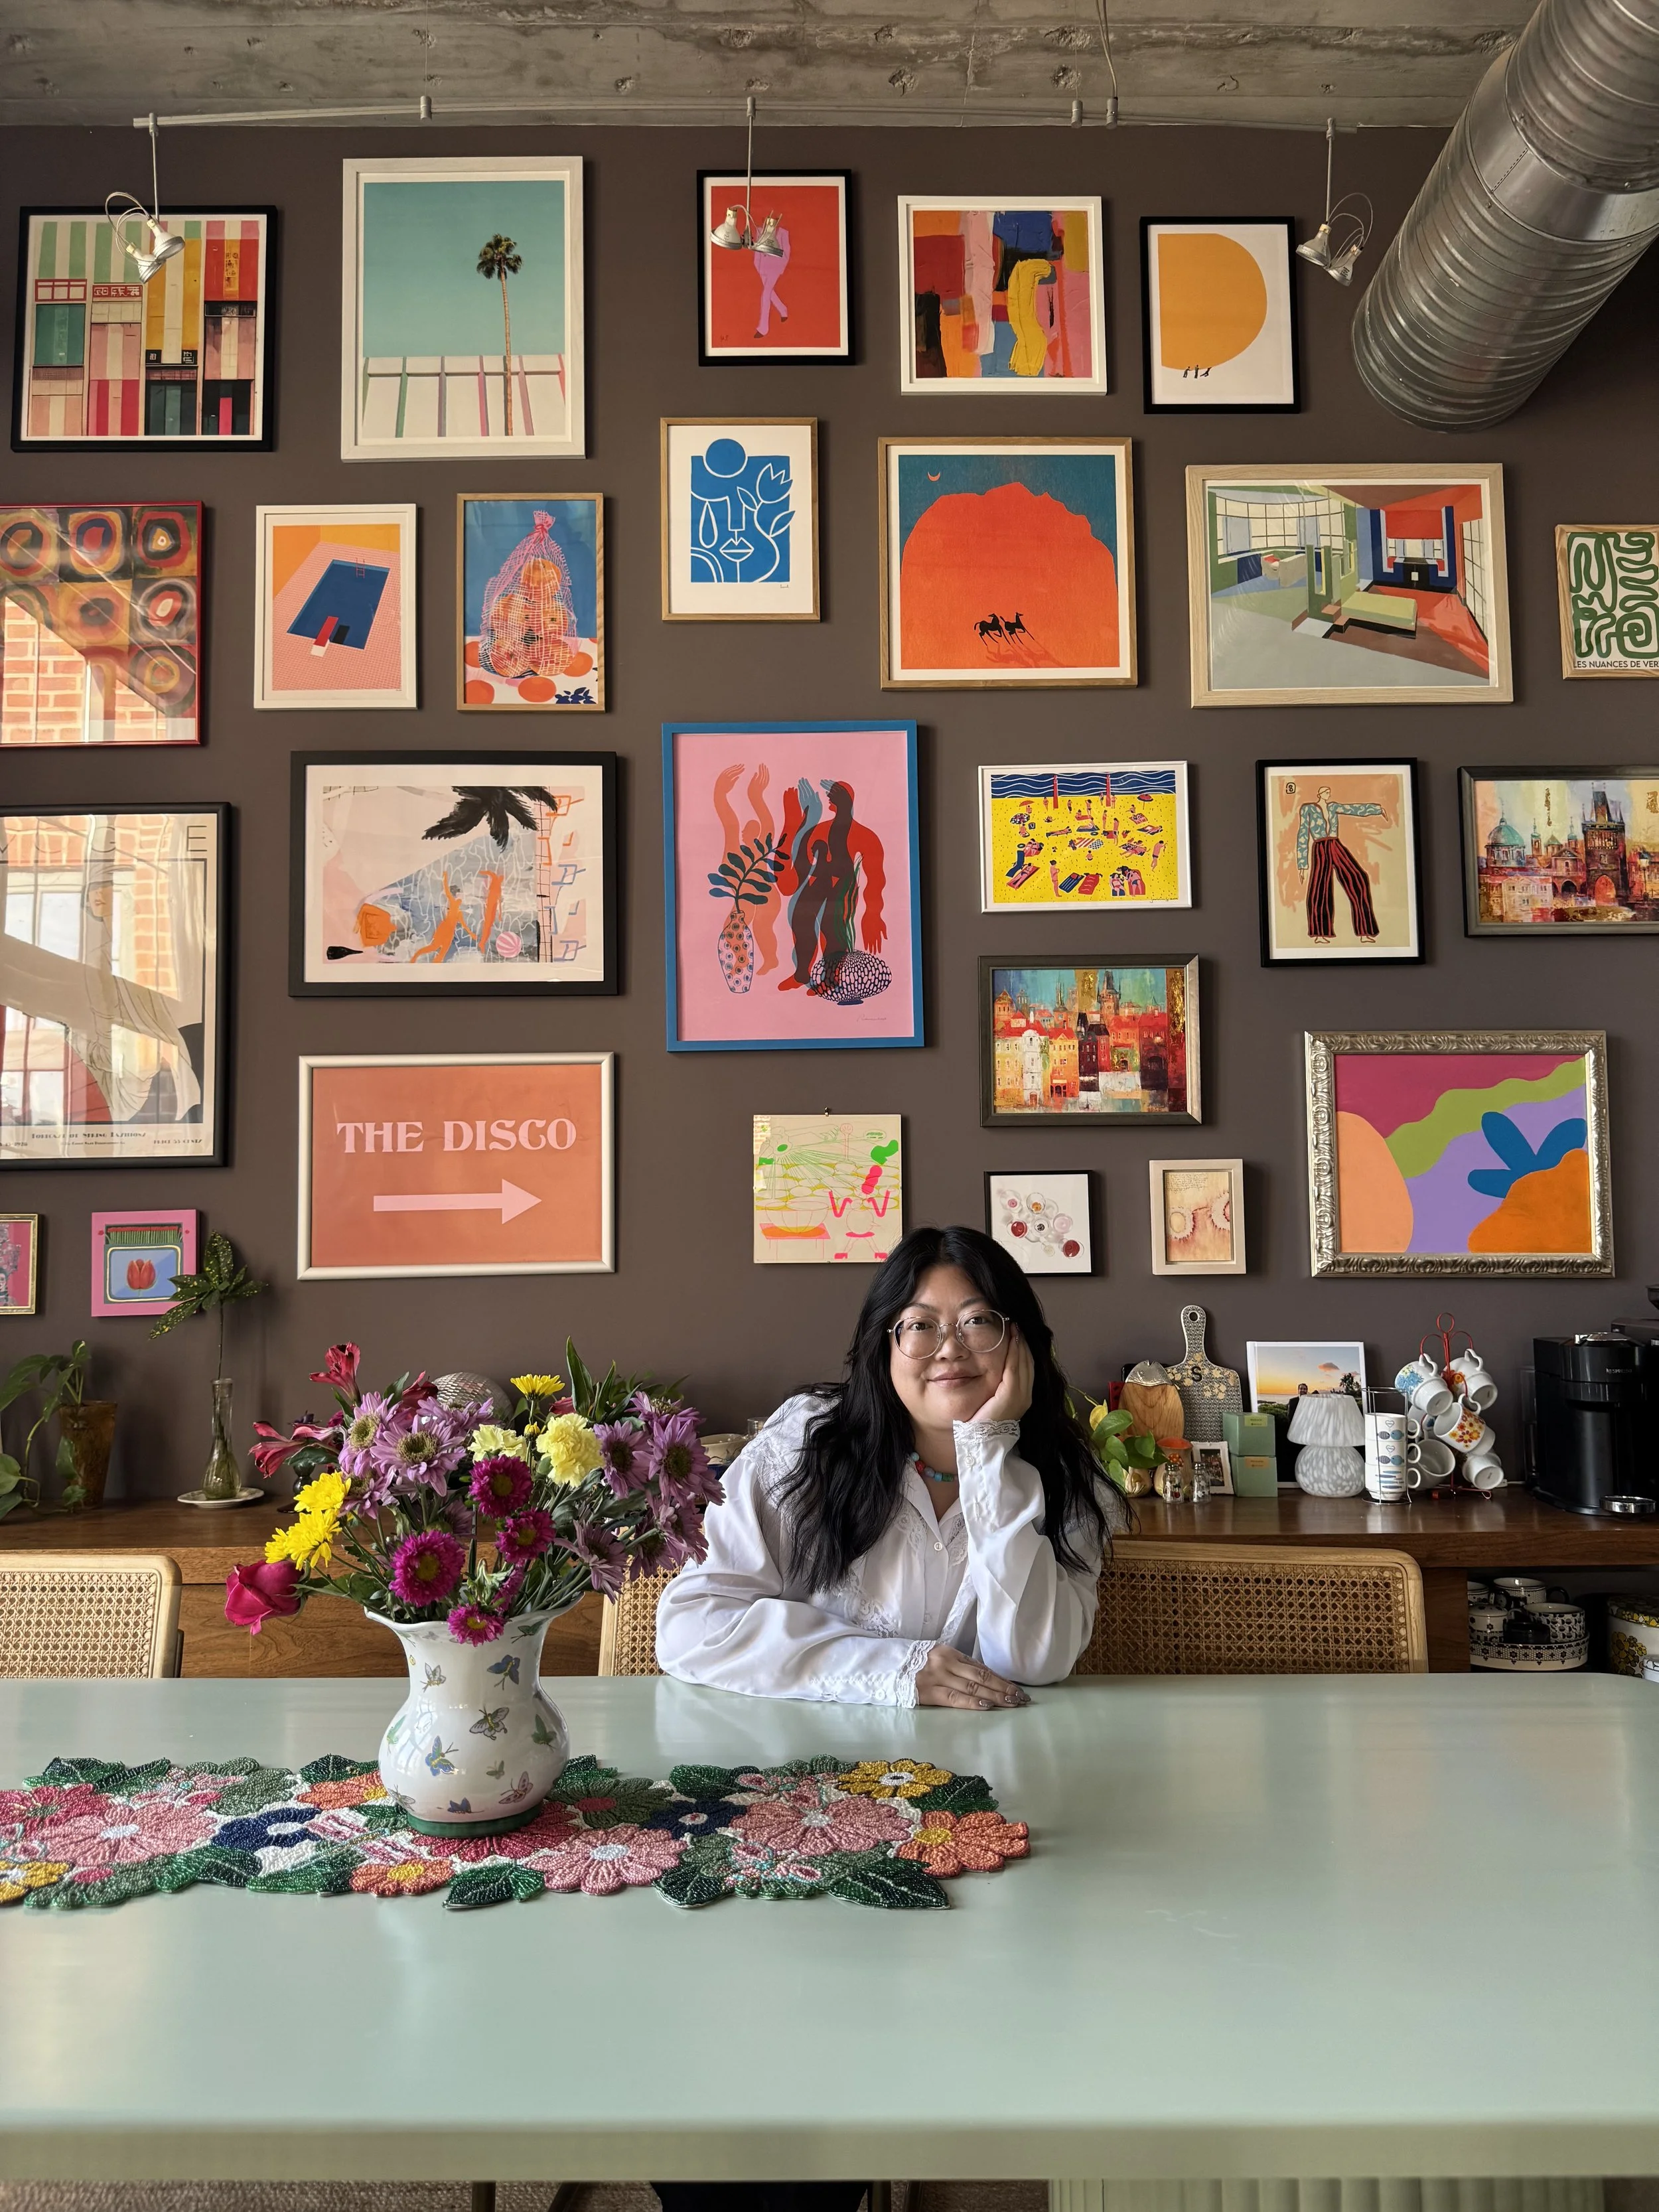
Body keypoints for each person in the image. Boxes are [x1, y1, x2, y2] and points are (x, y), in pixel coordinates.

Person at [656, 1222, 1117, 1710]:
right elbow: (690, 1625)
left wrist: (988, 1452)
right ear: (885, 1346)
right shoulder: (805, 1444)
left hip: (991, 1765)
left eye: (978, 1321)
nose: (950, 1348)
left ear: (1021, 1342)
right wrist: (894, 1669)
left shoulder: (1070, 1479)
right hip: (811, 1762)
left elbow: (1032, 1662)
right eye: (920, 1325)